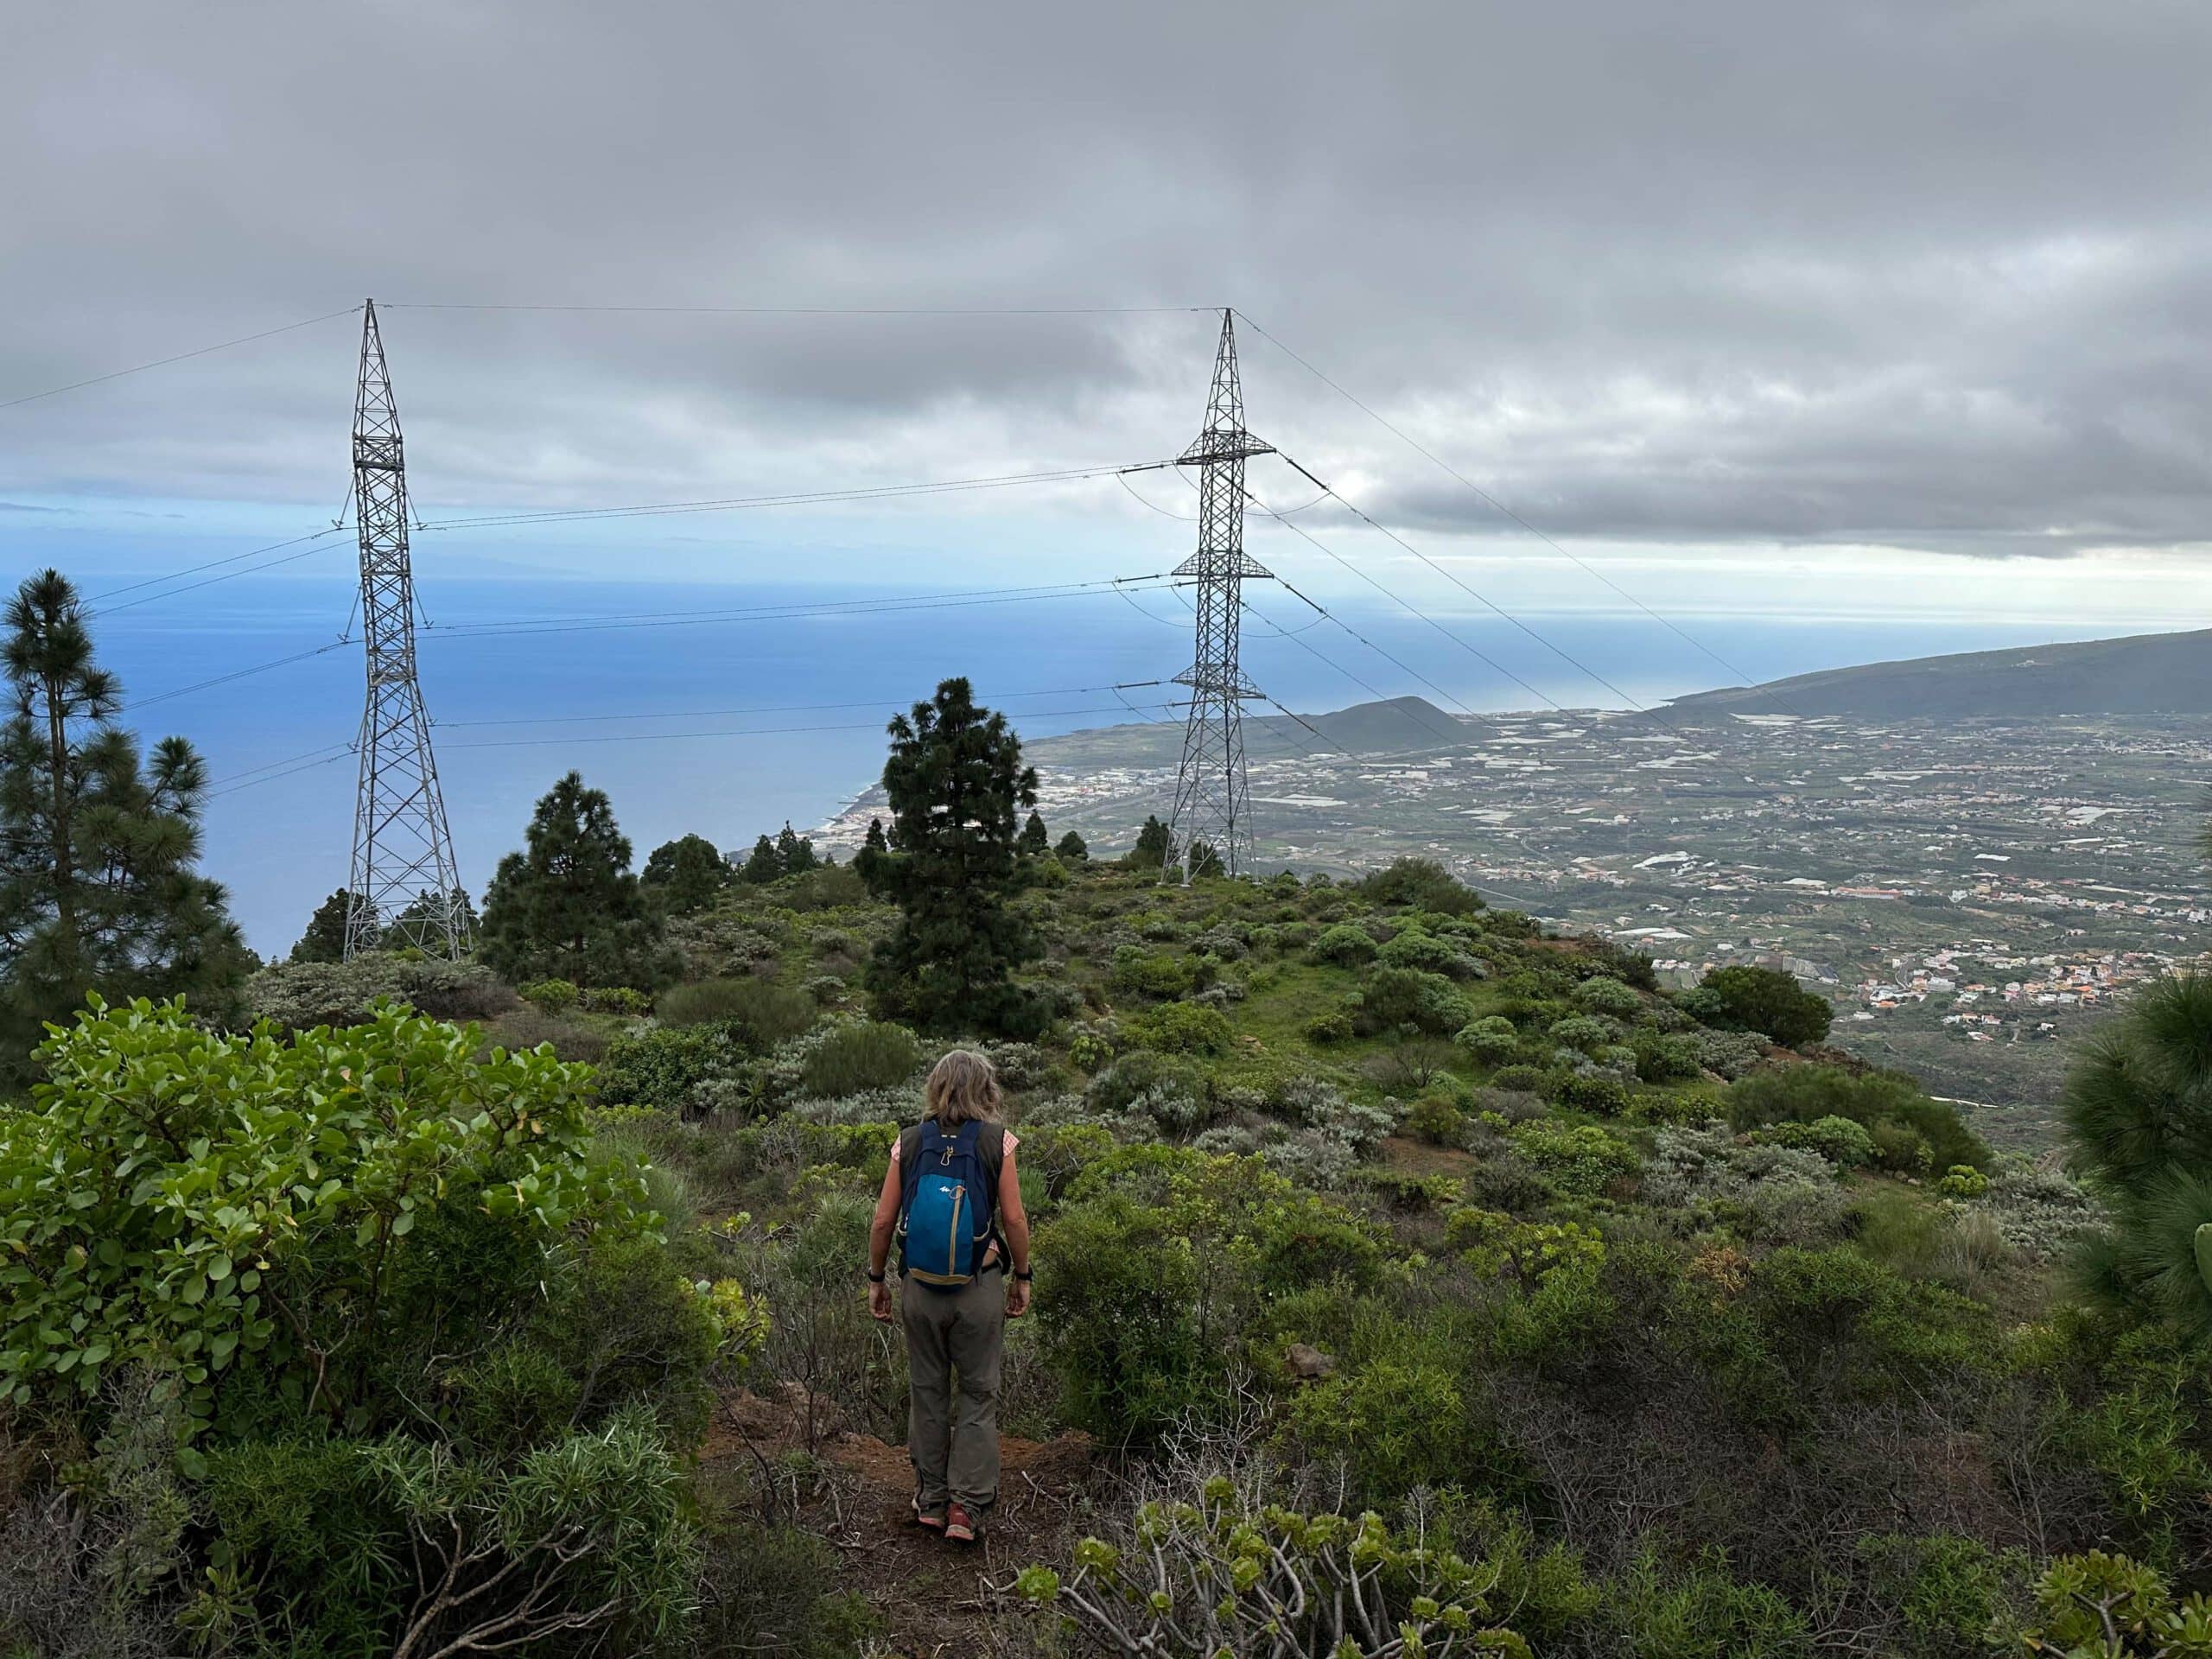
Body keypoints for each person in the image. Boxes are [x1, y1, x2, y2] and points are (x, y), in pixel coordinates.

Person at [868, 1049, 1032, 1545]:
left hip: (919, 1287)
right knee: (979, 1394)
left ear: (935, 1086)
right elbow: (1015, 1220)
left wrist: (876, 1279)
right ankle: (966, 1507)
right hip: (978, 1287)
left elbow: (882, 1221)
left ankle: (932, 1501)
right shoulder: (997, 1142)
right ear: (987, 1090)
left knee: (928, 1391)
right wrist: (1022, 1274)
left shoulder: (910, 1141)